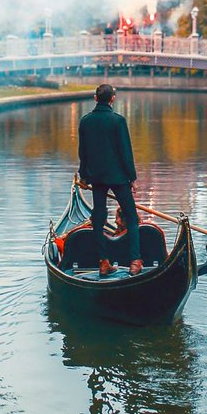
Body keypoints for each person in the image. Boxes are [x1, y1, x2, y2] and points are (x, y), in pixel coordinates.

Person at [77, 84, 141, 277]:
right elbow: (125, 152)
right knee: (131, 217)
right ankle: (135, 262)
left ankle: (103, 262)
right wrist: (132, 178)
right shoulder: (118, 121)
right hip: (119, 177)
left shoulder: (85, 121)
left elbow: (83, 152)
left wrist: (84, 177)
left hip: (97, 178)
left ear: (95, 98)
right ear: (112, 99)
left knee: (98, 218)